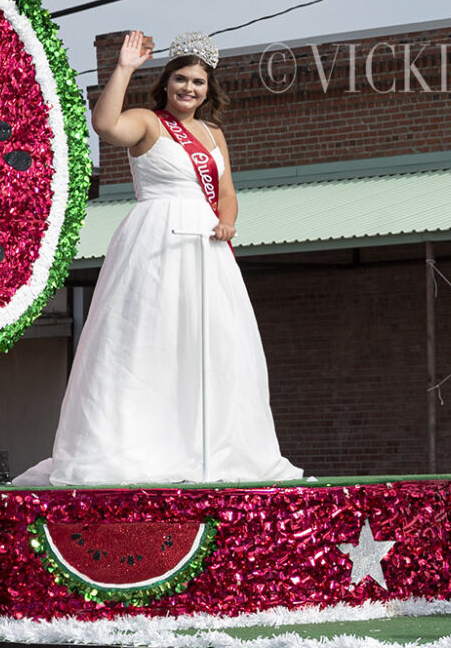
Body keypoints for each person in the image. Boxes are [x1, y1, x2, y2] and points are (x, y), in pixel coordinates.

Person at [17, 31, 301, 486]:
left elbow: (226, 193)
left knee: (213, 344)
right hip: (157, 240)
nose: (190, 88)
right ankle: (138, 447)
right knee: (148, 341)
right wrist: (125, 67)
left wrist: (227, 221)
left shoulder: (213, 134)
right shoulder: (148, 122)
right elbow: (106, 126)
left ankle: (211, 449)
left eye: (199, 82)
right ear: (167, 83)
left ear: (210, 90)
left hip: (207, 247)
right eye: (182, 79)